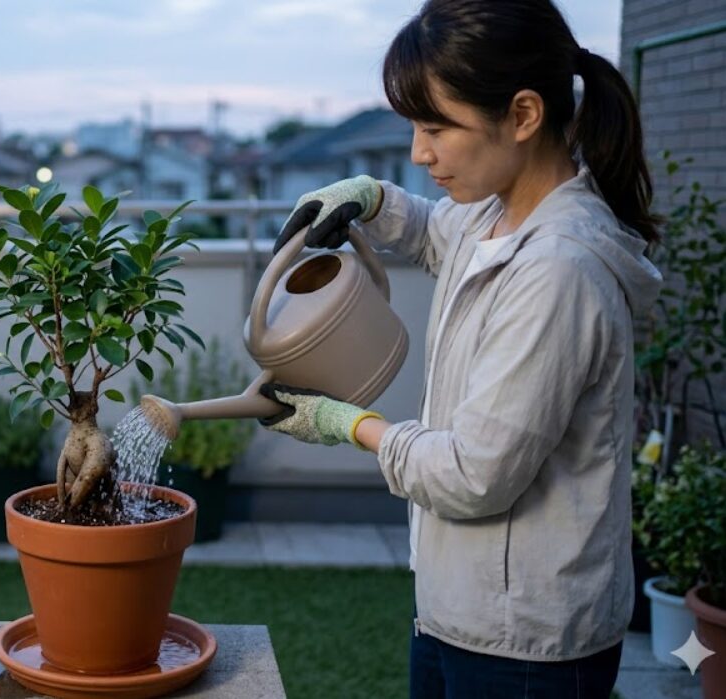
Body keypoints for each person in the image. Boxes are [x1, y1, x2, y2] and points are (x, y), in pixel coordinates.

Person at [257, 0, 663, 696]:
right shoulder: (493, 211)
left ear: (523, 114)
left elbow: (474, 475)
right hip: (456, 607)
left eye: (436, 127)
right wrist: (370, 198)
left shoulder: (559, 272)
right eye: (415, 128)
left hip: (527, 642)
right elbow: (432, 232)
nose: (420, 153)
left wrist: (346, 423)